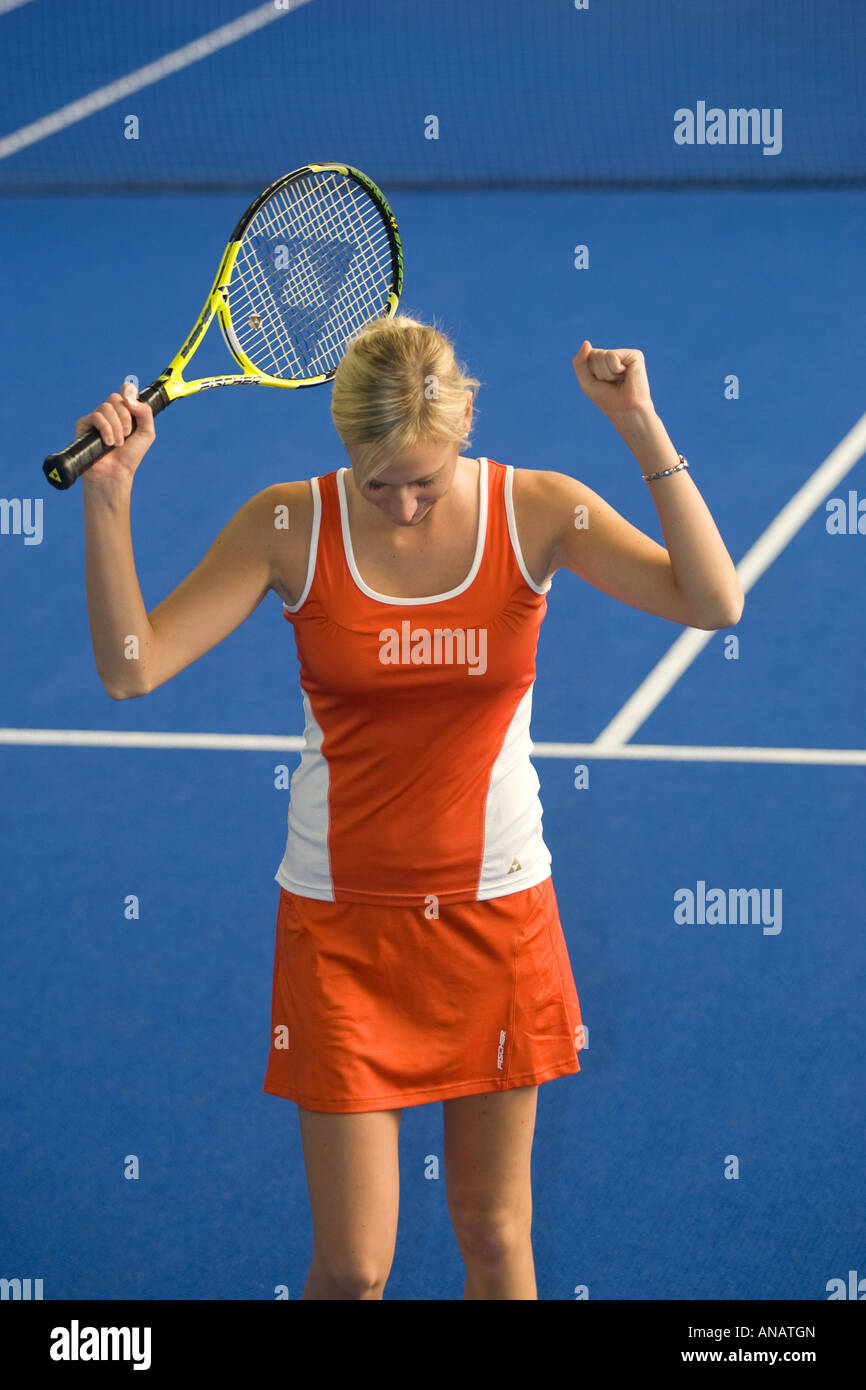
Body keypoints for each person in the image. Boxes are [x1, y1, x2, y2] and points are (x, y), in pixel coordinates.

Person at [79, 317, 743, 1301]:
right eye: (373, 478)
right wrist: (109, 497)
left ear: (467, 415)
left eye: (422, 481)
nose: (398, 504)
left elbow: (712, 599)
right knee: (351, 1268)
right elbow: (132, 671)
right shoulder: (287, 524)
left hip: (497, 918)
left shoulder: (537, 512)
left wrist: (638, 425)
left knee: (491, 1226)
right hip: (340, 928)